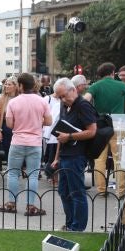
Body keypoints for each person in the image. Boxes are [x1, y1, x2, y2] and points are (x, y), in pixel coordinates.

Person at [0, 73, 52, 216]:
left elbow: (9, 124)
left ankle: (11, 203)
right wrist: (36, 122)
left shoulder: (13, 102)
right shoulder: (41, 101)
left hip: (18, 141)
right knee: (33, 175)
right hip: (35, 142)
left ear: (20, 86)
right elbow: (49, 121)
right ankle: (31, 206)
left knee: (13, 174)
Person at [51, 78, 97, 232]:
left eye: (64, 96)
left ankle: (77, 228)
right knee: (63, 191)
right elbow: (60, 133)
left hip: (77, 155)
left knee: (77, 192)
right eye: (60, 97)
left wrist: (70, 137)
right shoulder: (66, 106)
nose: (63, 100)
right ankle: (70, 223)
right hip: (65, 154)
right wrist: (56, 157)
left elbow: (92, 131)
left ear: (73, 90)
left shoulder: (83, 105)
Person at [85, 62, 125, 197]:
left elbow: (86, 100)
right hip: (119, 123)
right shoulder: (122, 86)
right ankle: (120, 190)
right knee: (119, 159)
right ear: (112, 72)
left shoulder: (95, 86)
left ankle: (101, 190)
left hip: (101, 124)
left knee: (100, 158)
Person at [0, 76, 18, 182]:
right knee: (8, 149)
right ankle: (11, 169)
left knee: (18, 149)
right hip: (6, 128)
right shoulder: (2, 99)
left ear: (15, 86)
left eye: (9, 84)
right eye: (6, 84)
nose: (6, 86)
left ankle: (17, 169)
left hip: (18, 127)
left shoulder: (20, 98)